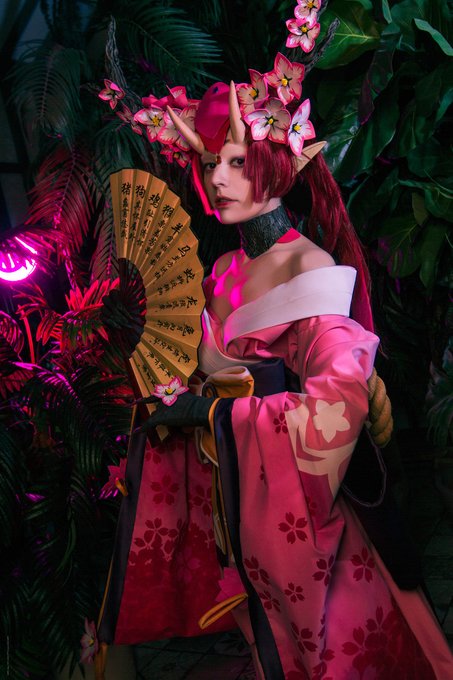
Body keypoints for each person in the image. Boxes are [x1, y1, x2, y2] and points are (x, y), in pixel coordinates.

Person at [96, 78, 453, 679]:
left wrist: (221, 413)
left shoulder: (311, 266)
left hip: (298, 501)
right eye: (209, 164)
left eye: (237, 162)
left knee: (331, 649)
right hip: (238, 491)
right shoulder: (222, 268)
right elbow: (200, 372)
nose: (218, 178)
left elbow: (336, 402)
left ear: (278, 165)